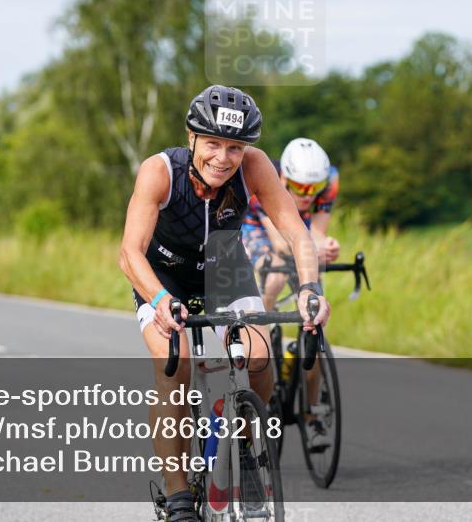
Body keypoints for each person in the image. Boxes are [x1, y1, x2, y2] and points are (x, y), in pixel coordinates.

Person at [118, 85, 330, 521]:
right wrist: (159, 299)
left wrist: (310, 289)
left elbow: (294, 229)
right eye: (212, 143)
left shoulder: (253, 167)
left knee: (258, 353)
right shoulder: (160, 171)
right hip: (164, 275)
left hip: (223, 264)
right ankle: (178, 497)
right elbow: (129, 252)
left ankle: (253, 451)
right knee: (172, 365)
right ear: (191, 137)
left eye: (235, 146)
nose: (223, 157)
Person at [240, 137, 339, 450]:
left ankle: (313, 416)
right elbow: (282, 244)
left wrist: (325, 246)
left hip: (297, 231)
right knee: (274, 276)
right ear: (285, 178)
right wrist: (313, 248)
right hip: (258, 227)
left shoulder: (329, 182)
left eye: (314, 188)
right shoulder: (267, 179)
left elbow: (317, 232)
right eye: (300, 188)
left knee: (316, 323)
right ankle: (260, 334)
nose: (308, 195)